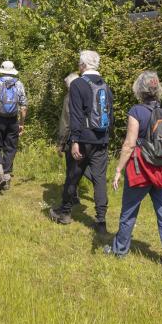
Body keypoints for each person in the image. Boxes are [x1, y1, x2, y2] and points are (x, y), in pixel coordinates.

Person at [103, 72, 162, 269]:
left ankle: (119, 250)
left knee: (129, 210)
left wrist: (118, 169)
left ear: (139, 89)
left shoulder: (136, 111)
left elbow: (130, 144)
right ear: (157, 89)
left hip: (142, 168)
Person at [49, 51, 113, 234]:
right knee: (99, 180)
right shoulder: (105, 85)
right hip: (102, 139)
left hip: (83, 139)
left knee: (73, 176)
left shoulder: (77, 84)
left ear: (83, 65)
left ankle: (65, 212)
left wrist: (75, 140)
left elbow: (76, 115)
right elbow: (111, 115)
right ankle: (101, 222)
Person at [0, 60, 28, 192]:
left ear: (2, 70)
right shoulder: (19, 84)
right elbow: (24, 107)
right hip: (13, 120)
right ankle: (7, 177)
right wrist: (21, 123)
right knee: (10, 148)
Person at [57, 73, 80, 206]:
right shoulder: (87, 94)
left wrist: (61, 142)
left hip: (72, 137)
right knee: (81, 167)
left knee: (71, 169)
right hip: (88, 137)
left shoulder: (69, 97)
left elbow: (65, 122)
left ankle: (70, 197)